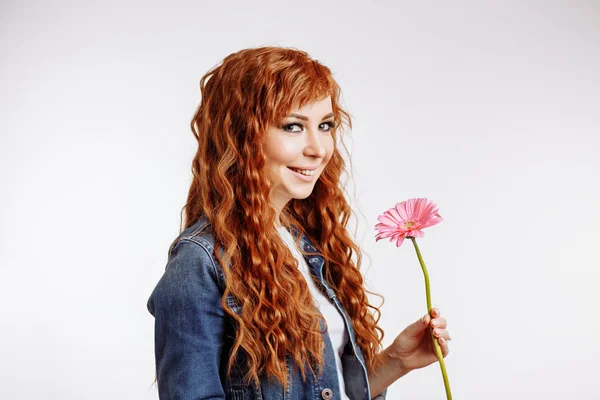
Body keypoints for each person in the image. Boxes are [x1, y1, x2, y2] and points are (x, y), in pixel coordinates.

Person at [147, 46, 451, 400]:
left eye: (325, 126)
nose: (319, 148)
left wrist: (395, 362)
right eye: (293, 126)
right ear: (242, 134)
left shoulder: (305, 243)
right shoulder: (198, 262)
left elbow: (320, 389)